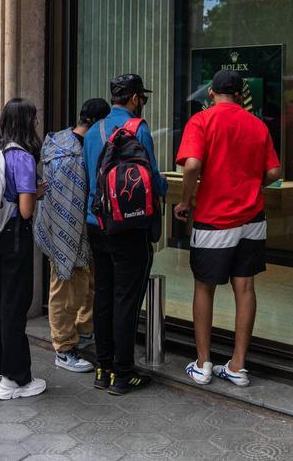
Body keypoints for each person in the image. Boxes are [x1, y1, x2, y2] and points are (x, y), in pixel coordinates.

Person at [175, 70, 282, 388]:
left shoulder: (202, 121)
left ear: (211, 93)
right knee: (245, 288)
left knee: (204, 287)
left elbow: (192, 164)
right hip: (252, 219)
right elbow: (275, 170)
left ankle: (203, 362)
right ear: (240, 94)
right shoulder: (257, 124)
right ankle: (237, 365)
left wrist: (186, 200)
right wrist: (252, 184)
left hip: (214, 218)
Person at [82, 74, 168, 396]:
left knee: (102, 295)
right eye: (141, 97)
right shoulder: (138, 129)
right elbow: (152, 177)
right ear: (134, 98)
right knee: (126, 299)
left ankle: (102, 368)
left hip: (96, 223)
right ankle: (123, 373)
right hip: (129, 227)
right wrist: (164, 190)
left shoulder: (92, 132)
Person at [0, 98, 47, 400]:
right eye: (33, 119)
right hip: (16, 234)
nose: (36, 124)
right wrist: (37, 192)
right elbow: (27, 210)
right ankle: (14, 379)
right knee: (13, 305)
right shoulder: (23, 158)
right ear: (25, 123)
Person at [36, 97, 110, 373]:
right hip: (63, 230)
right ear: (97, 123)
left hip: (85, 229)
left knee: (86, 284)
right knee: (64, 287)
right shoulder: (74, 150)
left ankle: (82, 330)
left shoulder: (57, 142)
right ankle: (63, 347)